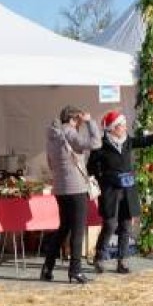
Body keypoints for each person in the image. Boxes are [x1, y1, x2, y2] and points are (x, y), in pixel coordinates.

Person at [89, 110, 153, 274]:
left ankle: (123, 260)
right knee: (110, 224)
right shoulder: (100, 145)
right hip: (110, 191)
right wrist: (106, 177)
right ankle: (99, 257)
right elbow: (91, 168)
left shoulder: (127, 142)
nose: (125, 127)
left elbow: (148, 140)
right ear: (113, 128)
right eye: (122, 125)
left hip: (128, 190)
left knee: (126, 225)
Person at [41, 106, 101, 283]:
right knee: (77, 229)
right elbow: (96, 143)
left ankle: (47, 267)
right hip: (75, 187)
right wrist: (90, 122)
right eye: (80, 120)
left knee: (63, 228)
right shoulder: (70, 133)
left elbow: (50, 163)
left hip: (60, 187)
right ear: (74, 118)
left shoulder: (52, 136)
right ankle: (75, 270)